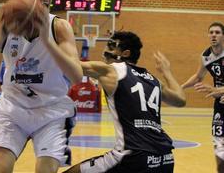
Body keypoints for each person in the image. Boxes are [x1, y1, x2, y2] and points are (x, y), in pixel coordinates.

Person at [0, 0, 83, 173]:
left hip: (51, 110)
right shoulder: (2, 27)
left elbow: (77, 77)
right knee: (0, 170)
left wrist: (47, 40)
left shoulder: (60, 27)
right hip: (13, 108)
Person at [64, 31, 186, 173]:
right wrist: (167, 72)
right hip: (165, 158)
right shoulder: (153, 80)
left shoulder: (111, 70)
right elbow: (180, 100)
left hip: (133, 156)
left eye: (111, 46)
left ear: (126, 53)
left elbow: (67, 64)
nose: (105, 50)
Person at [181, 22, 224, 173]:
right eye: (211, 32)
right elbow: (198, 76)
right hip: (220, 104)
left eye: (217, 32)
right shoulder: (206, 56)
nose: (213, 35)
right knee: (218, 144)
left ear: (223, 36)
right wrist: (181, 88)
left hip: (220, 94)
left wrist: (217, 89)